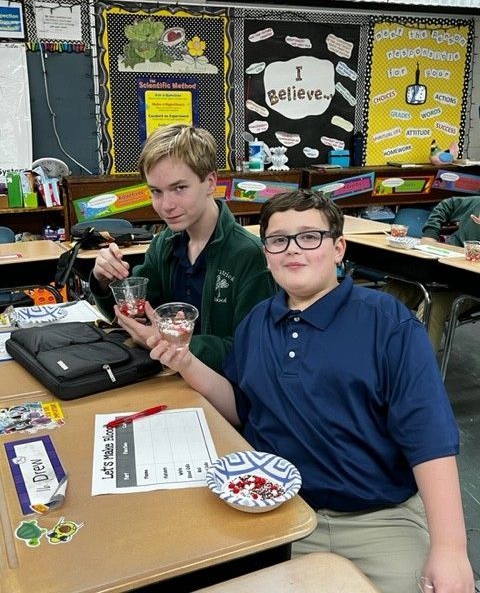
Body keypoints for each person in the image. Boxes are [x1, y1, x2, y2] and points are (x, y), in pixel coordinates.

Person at [146, 190, 474, 593]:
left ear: (338, 248)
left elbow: (430, 437)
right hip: (280, 514)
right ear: (265, 253)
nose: (293, 250)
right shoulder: (255, 324)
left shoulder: (387, 321)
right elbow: (241, 408)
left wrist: (451, 548)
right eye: (278, 240)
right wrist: (185, 362)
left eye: (310, 237)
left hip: (380, 517)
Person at [89, 124, 277, 373]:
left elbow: (251, 351)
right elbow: (135, 313)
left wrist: (172, 345)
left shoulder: (249, 255)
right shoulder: (164, 243)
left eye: (179, 188)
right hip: (168, 377)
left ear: (210, 182)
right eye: (156, 191)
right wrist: (103, 280)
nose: (166, 205)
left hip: (223, 395)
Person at [384, 196, 480, 353]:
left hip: (468, 286)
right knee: (393, 291)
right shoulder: (477, 203)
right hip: (439, 271)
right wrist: (430, 234)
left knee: (433, 308)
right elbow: (446, 205)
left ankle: (418, 371)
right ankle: (368, 354)